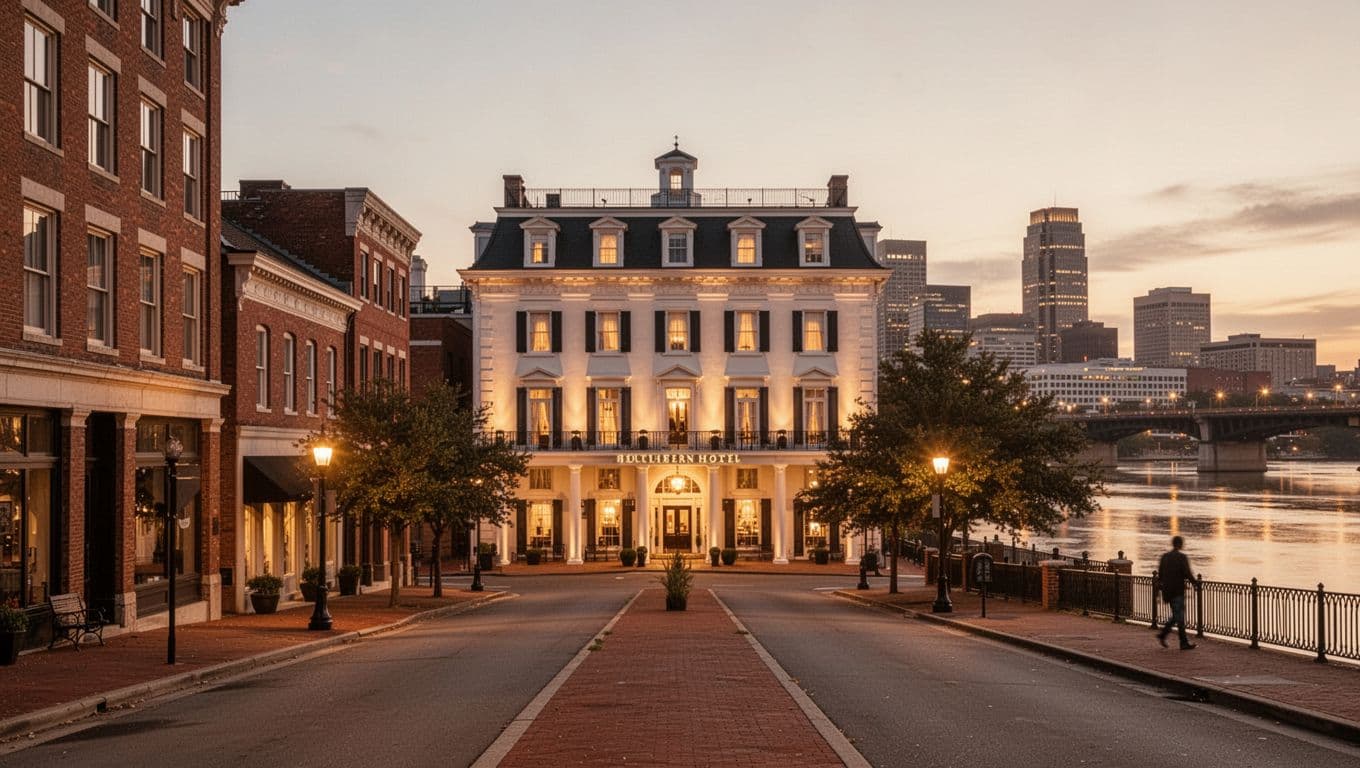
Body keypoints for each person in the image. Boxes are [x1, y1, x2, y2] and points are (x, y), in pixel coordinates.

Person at [1157, 535, 1197, 650]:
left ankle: (1166, 636)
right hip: (1177, 591)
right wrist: (1195, 584)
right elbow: (1187, 573)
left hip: (1167, 591)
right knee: (1178, 616)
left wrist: (1159, 589)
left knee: (1177, 616)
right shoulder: (1182, 557)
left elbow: (1160, 574)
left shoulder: (1164, 557)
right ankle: (1180, 641)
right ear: (1180, 544)